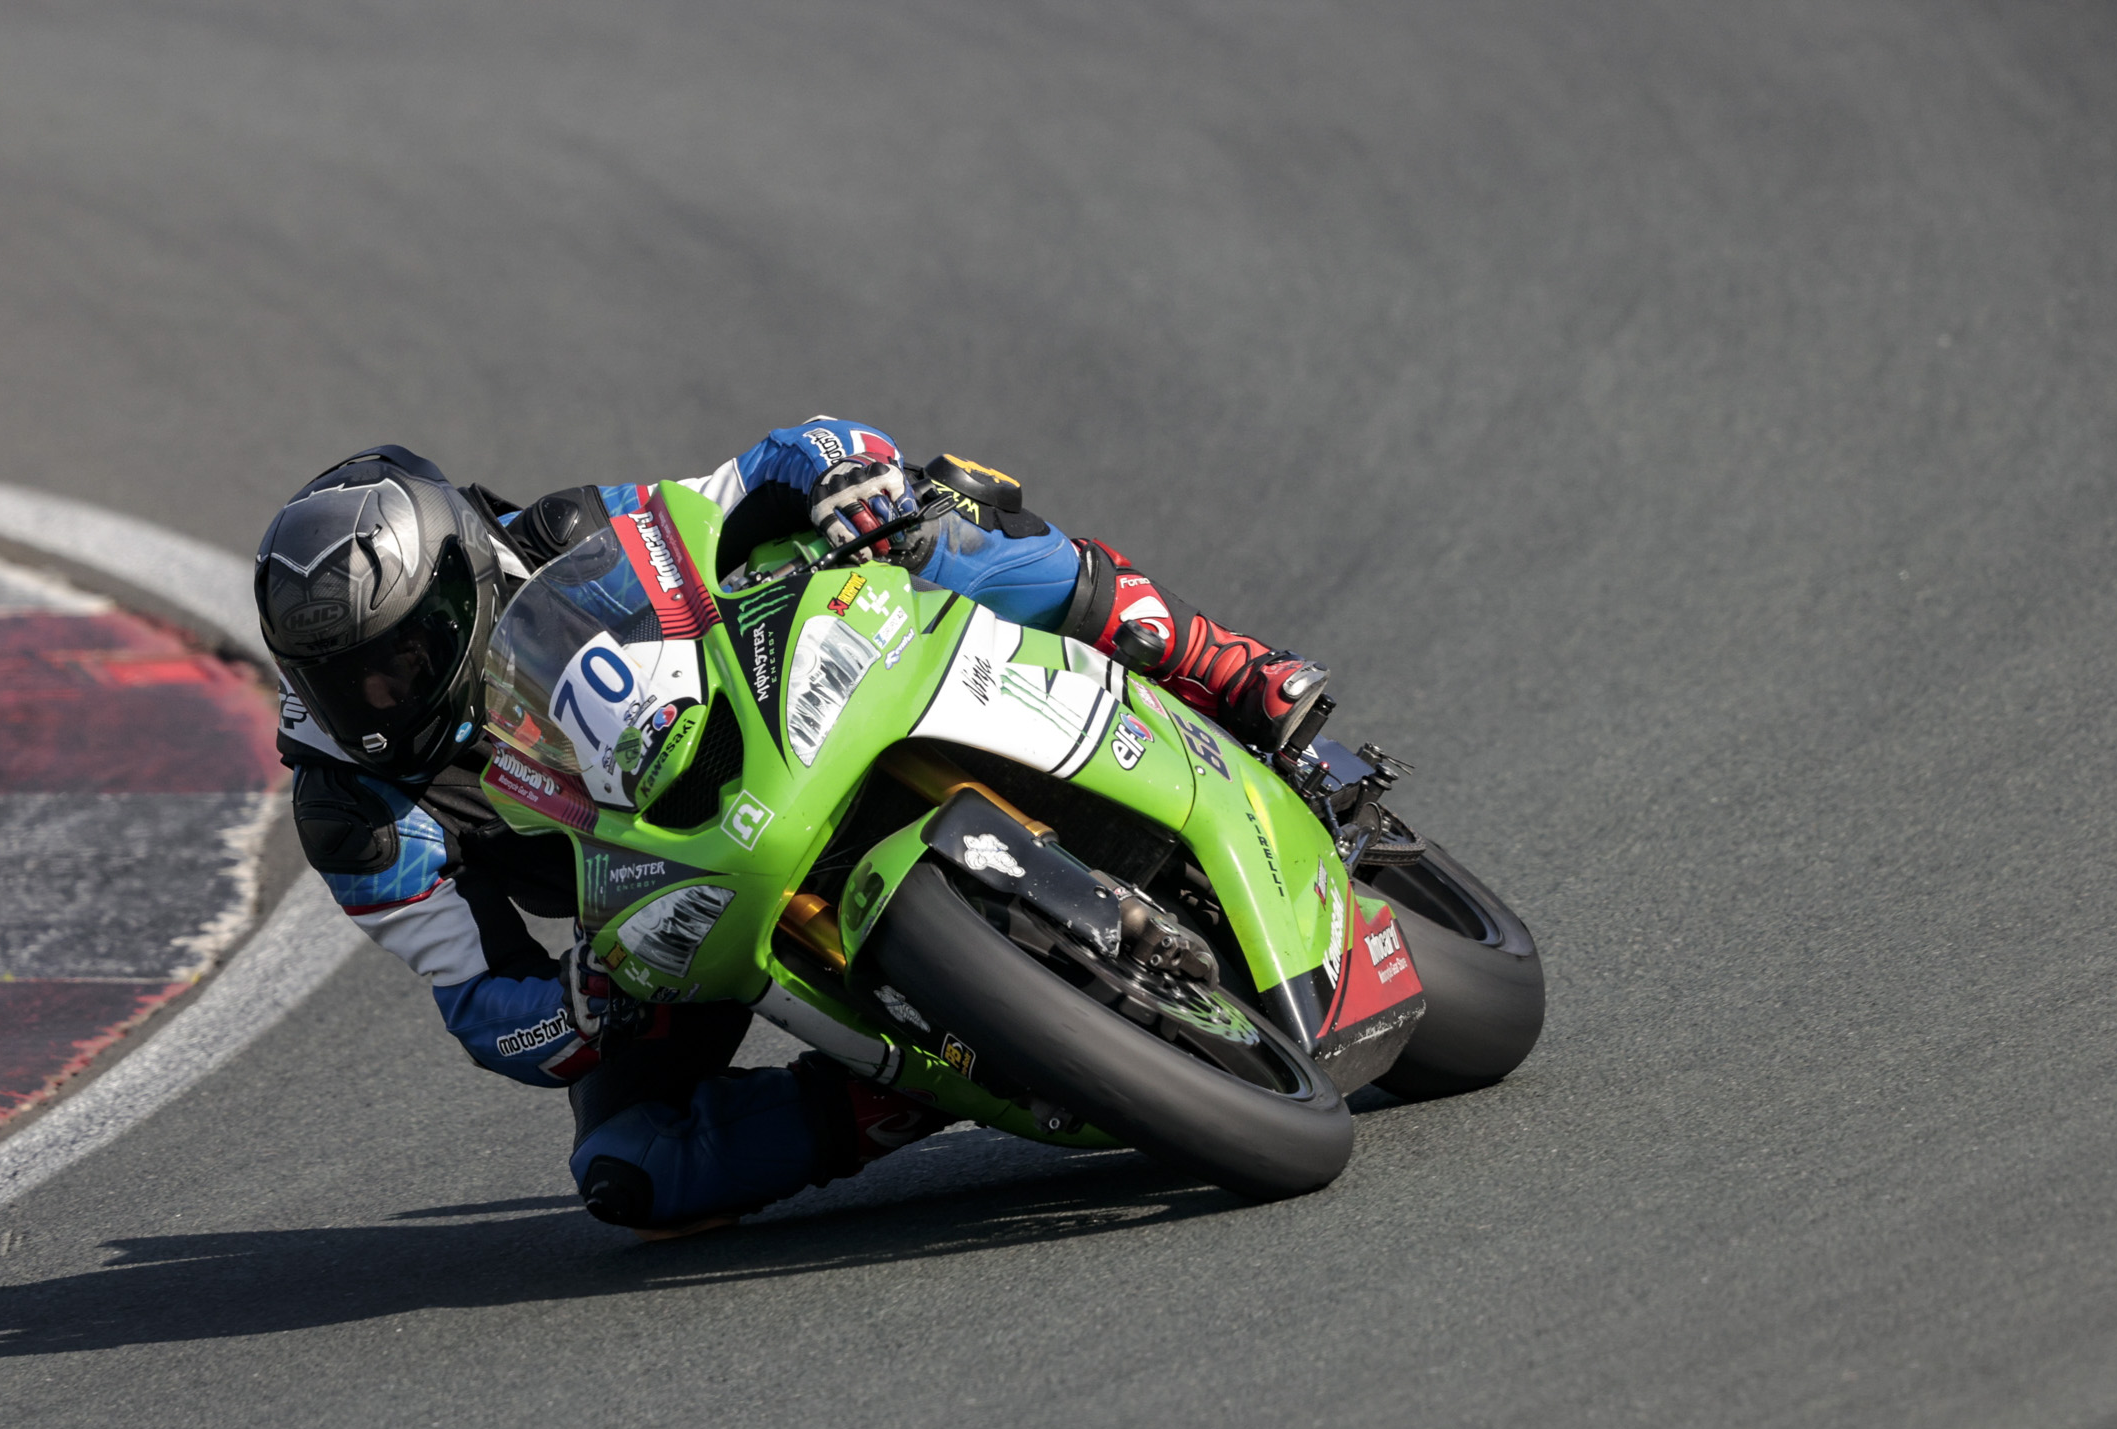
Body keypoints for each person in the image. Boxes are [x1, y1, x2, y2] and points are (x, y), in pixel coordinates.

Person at [254, 420, 1330, 1232]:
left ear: (460, 580)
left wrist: (842, 474)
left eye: (404, 654)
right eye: (345, 680)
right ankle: (911, 1083)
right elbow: (478, 1001)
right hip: (656, 914)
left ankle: (1215, 661)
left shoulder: (558, 535)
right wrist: (575, 1005)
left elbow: (761, 470)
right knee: (633, 1171)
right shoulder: (354, 809)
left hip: (772, 716)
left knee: (935, 514)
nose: (381, 695)